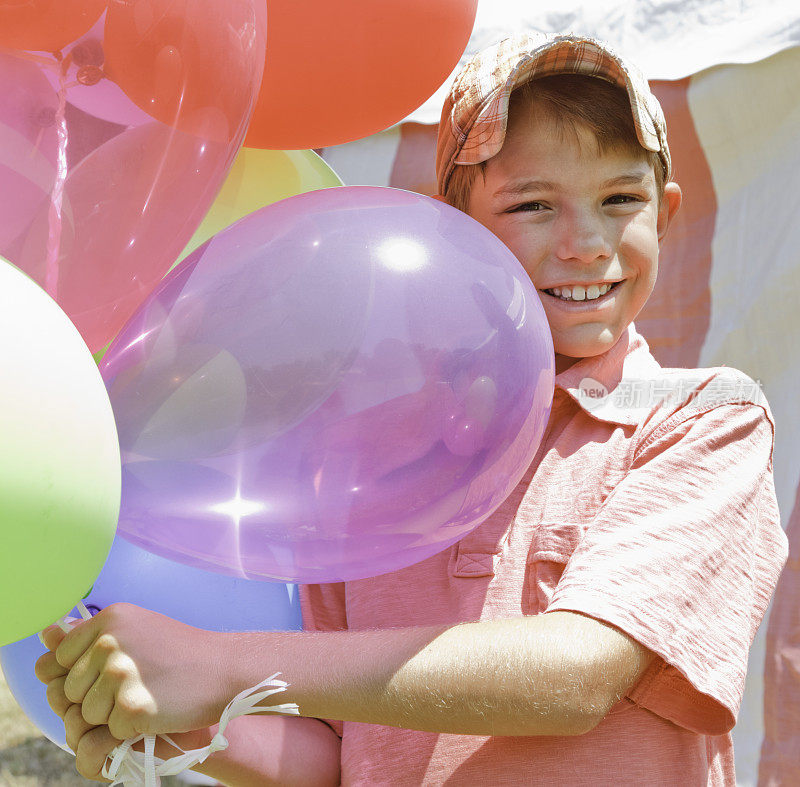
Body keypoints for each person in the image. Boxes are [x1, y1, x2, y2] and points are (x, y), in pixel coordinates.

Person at [35, 32, 788, 785]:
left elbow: (581, 670)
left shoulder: (702, 417)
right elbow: (342, 750)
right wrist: (194, 725)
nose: (586, 243)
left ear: (667, 213)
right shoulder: (366, 453)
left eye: (621, 199)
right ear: (453, 229)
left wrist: (219, 663)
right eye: (532, 204)